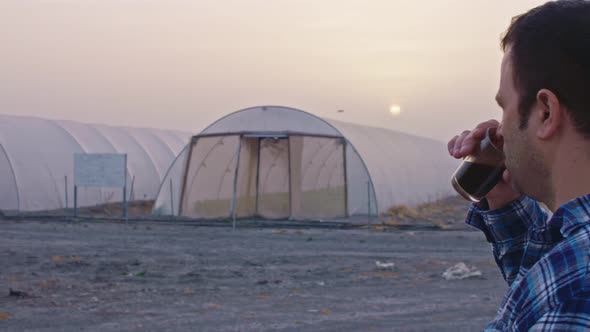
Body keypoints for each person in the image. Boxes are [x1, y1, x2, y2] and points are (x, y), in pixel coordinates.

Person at [447, 0, 590, 330]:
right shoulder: (570, 274)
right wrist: (504, 195)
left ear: (545, 113)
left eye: (504, 107)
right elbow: (544, 285)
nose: (499, 130)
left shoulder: (578, 295)